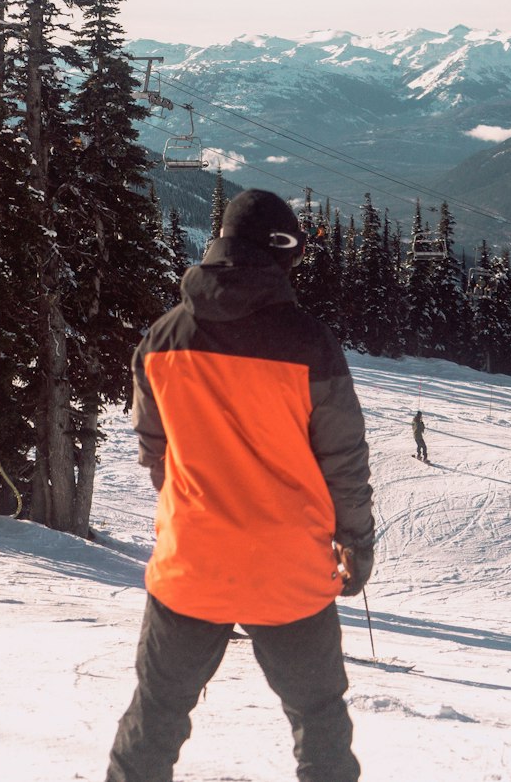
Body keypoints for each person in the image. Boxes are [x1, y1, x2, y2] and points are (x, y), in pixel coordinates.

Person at [105, 189, 374, 782]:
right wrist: (356, 541)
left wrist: (189, 507)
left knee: (156, 716)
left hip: (192, 562)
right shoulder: (309, 342)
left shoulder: (163, 337)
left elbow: (156, 448)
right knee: (319, 718)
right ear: (281, 251)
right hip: (290, 568)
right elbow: (343, 459)